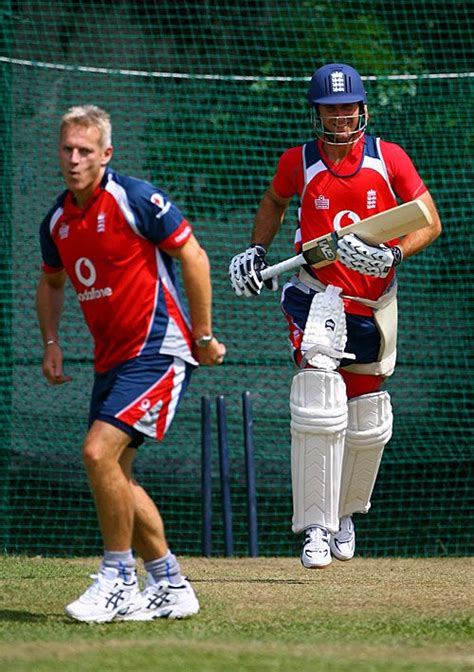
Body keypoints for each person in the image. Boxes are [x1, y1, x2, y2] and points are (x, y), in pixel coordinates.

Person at [228, 63, 441, 569]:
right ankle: (316, 528)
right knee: (320, 396)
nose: (342, 119)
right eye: (331, 110)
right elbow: (276, 201)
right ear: (317, 114)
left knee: (368, 418)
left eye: (348, 108)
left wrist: (395, 256)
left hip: (373, 301)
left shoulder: (389, 159)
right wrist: (258, 250)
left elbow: (428, 219)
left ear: (362, 108)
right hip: (316, 294)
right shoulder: (299, 162)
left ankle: (345, 515)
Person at [36, 105, 226, 622]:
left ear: (106, 155)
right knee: (116, 472)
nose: (74, 160)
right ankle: (169, 583)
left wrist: (204, 335)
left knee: (97, 453)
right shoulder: (56, 221)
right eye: (67, 150)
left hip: (160, 351)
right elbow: (52, 282)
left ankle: (118, 576)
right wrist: (51, 341)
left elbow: (195, 257)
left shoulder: (135, 198)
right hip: (111, 362)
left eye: (85, 151)